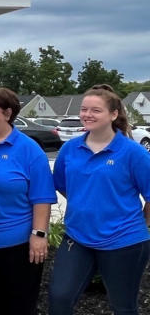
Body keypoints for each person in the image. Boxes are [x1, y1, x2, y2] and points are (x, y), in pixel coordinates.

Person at [49, 85, 150, 315]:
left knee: (123, 307)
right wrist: (87, 205)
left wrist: (143, 224)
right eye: (84, 109)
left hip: (125, 241)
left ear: (113, 114)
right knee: (59, 298)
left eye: (95, 110)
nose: (87, 114)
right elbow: (65, 187)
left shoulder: (133, 152)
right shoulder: (70, 149)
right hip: (78, 238)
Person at [0, 87, 55, 315]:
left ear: (8, 113)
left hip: (17, 246)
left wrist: (39, 235)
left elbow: (42, 198)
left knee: (18, 306)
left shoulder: (29, 149)